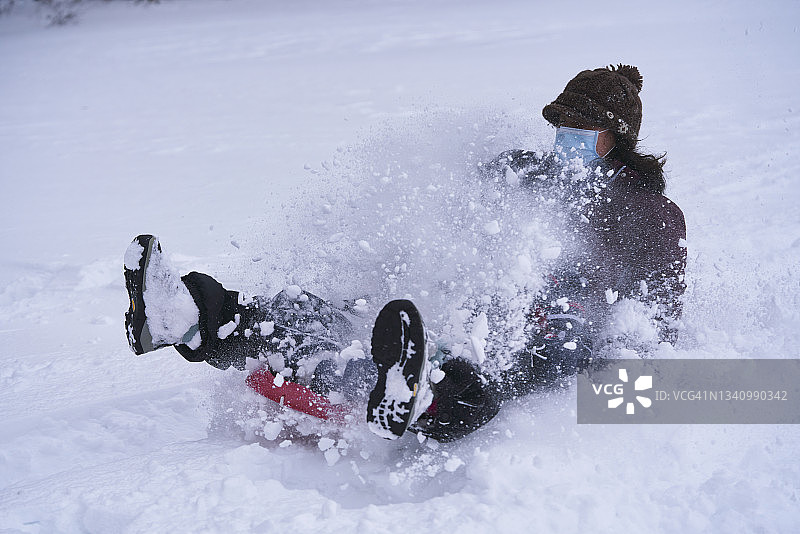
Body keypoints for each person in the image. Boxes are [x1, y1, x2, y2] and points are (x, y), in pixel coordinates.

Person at [124, 64, 686, 443]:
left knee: (495, 363)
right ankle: (197, 317)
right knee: (332, 312)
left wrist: (606, 372)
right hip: (454, 305)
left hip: (539, 341)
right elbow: (449, 223)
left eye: (580, 126)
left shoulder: (651, 218)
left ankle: (422, 391)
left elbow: (652, 328)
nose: (564, 134)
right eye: (561, 123)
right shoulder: (520, 171)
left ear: (616, 137)